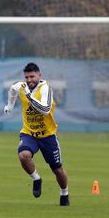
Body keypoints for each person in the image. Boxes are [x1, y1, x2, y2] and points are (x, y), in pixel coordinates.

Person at [4, 62, 69, 206]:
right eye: (26, 77)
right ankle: (36, 179)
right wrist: (9, 105)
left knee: (58, 169)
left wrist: (29, 96)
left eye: (32, 76)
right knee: (23, 155)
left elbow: (45, 110)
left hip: (47, 136)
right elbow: (12, 90)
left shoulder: (45, 89)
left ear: (39, 75)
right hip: (29, 133)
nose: (29, 80)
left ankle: (64, 193)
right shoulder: (21, 87)